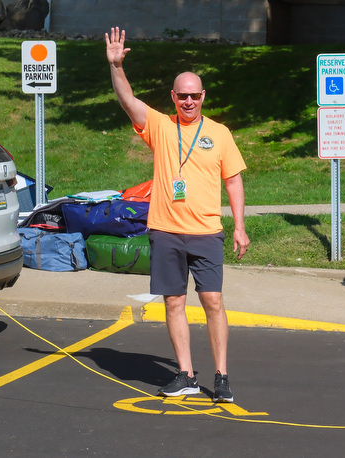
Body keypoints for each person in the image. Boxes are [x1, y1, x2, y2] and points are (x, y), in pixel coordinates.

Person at [105, 27, 249, 402]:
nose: (188, 102)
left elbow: (233, 182)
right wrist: (116, 66)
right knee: (173, 302)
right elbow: (127, 101)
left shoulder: (219, 133)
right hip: (166, 230)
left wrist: (240, 228)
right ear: (174, 97)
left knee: (213, 302)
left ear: (203, 97)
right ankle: (185, 373)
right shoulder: (160, 126)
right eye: (182, 96)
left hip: (206, 232)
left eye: (194, 96)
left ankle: (221, 376)